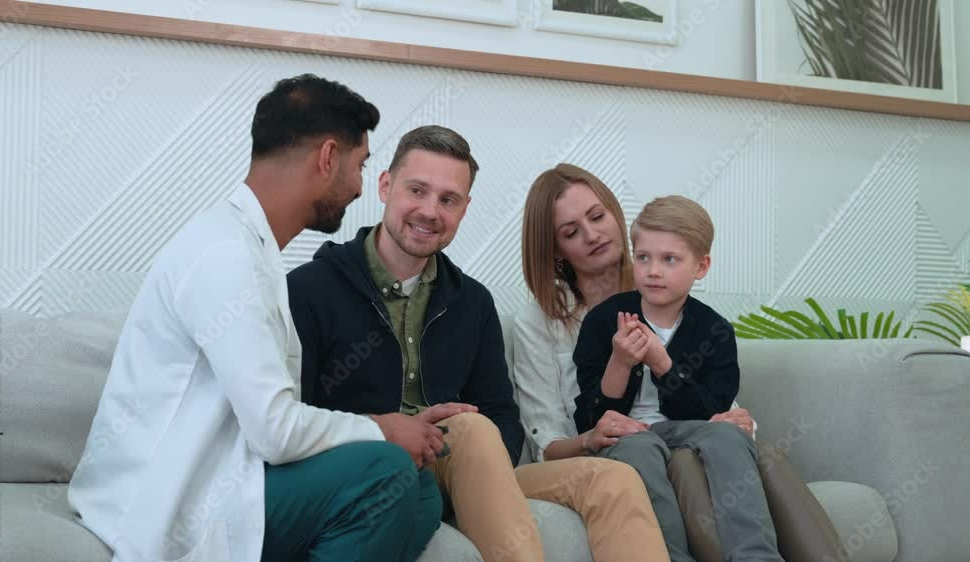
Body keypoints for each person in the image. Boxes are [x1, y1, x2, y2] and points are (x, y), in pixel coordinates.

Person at [68, 75, 442, 562]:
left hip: (229, 473)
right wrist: (384, 428)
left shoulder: (249, 246)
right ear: (328, 157)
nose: (359, 188)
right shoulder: (227, 257)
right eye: (360, 166)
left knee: (422, 491)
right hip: (168, 501)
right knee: (386, 472)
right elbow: (274, 431)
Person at [287, 126, 669, 562]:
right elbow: (289, 418)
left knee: (612, 479)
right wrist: (389, 430)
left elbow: (503, 416)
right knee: (470, 427)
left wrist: (470, 458)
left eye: (448, 199)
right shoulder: (310, 289)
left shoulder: (471, 301)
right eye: (417, 190)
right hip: (366, 465)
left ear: (465, 209)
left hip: (463, 465)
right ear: (386, 186)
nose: (430, 211)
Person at [516, 163, 846, 562]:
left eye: (597, 217)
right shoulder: (558, 321)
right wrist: (595, 428)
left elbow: (714, 404)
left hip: (691, 437)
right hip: (616, 447)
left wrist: (738, 422)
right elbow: (553, 437)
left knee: (743, 450)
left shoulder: (676, 300)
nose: (592, 235)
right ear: (555, 250)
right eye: (571, 232)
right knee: (665, 456)